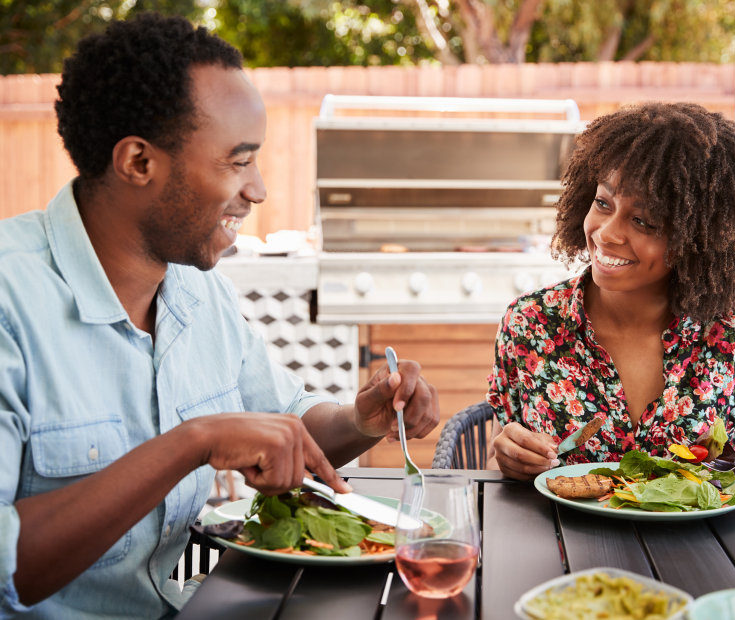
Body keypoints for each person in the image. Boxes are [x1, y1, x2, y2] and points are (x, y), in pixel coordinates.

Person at [0, 13, 439, 619]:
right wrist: (192, 443)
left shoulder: (194, 291)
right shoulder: (10, 303)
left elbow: (287, 425)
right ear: (138, 162)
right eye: (238, 162)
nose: (257, 190)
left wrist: (361, 419)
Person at [487, 101, 735, 501]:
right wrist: (508, 459)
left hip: (707, 557)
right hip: (567, 556)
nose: (607, 234)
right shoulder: (531, 323)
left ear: (698, 238)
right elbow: (500, 462)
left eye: (644, 221)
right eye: (603, 204)